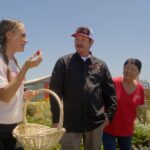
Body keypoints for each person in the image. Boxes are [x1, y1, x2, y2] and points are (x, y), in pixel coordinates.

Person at [49, 26, 117, 150]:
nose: (78, 42)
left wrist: (109, 116)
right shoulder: (64, 62)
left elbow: (110, 93)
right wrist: (56, 119)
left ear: (91, 42)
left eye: (83, 39)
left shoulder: (101, 65)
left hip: (95, 123)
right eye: (76, 39)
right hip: (70, 123)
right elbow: (55, 92)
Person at [0, 18, 42, 150]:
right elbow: (5, 96)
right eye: (23, 34)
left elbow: (10, 92)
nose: (27, 40)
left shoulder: (14, 62)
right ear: (9, 34)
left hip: (15, 128)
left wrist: (23, 96)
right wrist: (26, 68)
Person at [102, 58, 144, 150]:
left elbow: (139, 109)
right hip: (109, 128)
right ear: (123, 68)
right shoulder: (113, 82)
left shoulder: (140, 88)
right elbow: (102, 101)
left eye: (133, 69)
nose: (129, 71)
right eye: (127, 68)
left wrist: (137, 122)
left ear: (138, 72)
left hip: (127, 129)